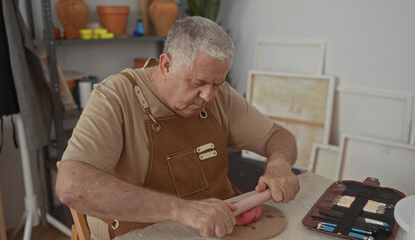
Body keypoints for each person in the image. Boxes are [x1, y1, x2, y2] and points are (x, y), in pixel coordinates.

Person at [55, 16, 300, 239]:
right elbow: (71, 186)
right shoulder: (116, 96)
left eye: (217, 84)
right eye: (198, 83)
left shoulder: (216, 92)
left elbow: (278, 136)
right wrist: (181, 209)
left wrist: (278, 165)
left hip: (219, 228)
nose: (209, 96)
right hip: (141, 232)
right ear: (166, 65)